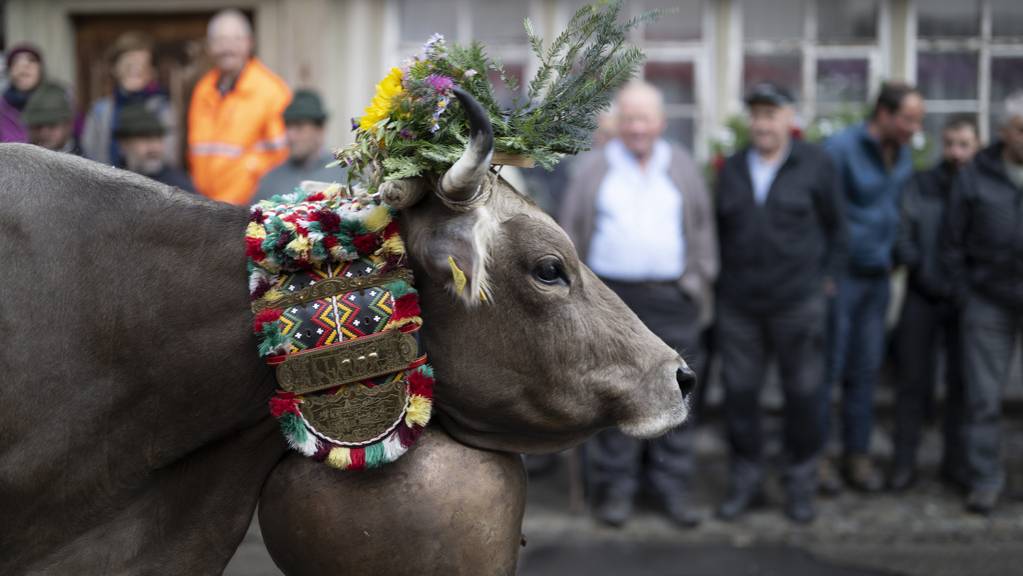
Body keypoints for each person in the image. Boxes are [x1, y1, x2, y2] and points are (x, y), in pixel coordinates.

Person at [559, 81, 718, 529]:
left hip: (672, 297)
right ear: (618, 123)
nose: (637, 128)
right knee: (617, 394)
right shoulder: (594, 169)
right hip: (613, 302)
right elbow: (569, 232)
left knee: (678, 394)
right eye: (629, 118)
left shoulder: (682, 166)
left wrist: (696, 279)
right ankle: (617, 491)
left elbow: (703, 228)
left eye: (645, 118)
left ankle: (673, 489)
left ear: (661, 123)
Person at [713, 83, 845, 524]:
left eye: (771, 114)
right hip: (740, 307)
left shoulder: (817, 165)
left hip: (798, 303)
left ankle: (800, 483)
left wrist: (827, 281)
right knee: (741, 396)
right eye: (757, 114)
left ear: (790, 119)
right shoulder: (730, 168)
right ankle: (746, 480)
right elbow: (717, 231)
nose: (763, 123)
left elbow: (838, 228)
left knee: (805, 396)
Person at [820, 81, 924, 494]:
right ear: (883, 113)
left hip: (878, 279)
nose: (915, 129)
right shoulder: (840, 150)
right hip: (841, 279)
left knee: (865, 371)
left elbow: (898, 214)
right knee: (830, 370)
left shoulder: (903, 156)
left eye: (918, 121)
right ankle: (821, 460)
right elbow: (823, 212)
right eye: (908, 119)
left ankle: (856, 458)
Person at [889, 116, 980, 492]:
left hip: (967, 299)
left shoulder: (983, 186)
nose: (956, 152)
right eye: (951, 144)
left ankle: (955, 464)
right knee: (912, 383)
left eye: (964, 144)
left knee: (961, 386)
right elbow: (903, 235)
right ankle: (904, 464)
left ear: (977, 145)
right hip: (922, 296)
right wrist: (923, 272)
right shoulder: (921, 184)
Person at [944, 92, 1023, 515]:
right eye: (1022, 130)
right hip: (987, 301)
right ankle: (985, 480)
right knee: (984, 399)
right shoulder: (976, 174)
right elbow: (952, 242)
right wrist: (966, 293)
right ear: (1005, 132)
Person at [188, 9, 291, 205]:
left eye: (235, 39)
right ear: (209, 47)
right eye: (219, 40)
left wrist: (250, 172)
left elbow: (283, 156)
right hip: (206, 207)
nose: (227, 48)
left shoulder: (271, 90)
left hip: (253, 208)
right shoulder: (202, 90)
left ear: (250, 43)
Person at [81, 32, 177, 168]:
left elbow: (169, 156)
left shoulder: (161, 108)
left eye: (143, 65)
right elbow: (90, 155)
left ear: (151, 71)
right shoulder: (100, 110)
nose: (135, 70)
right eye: (129, 64)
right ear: (114, 68)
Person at [254, 89, 342, 202]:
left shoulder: (344, 174)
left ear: (320, 129)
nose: (290, 136)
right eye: (288, 127)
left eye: (299, 127)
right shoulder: (271, 180)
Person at [114, 103, 195, 192]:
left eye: (158, 139)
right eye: (146, 139)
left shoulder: (179, 186)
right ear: (124, 144)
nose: (154, 147)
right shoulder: (113, 184)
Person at [1, 43, 46, 143]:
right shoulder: (1, 109)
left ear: (40, 69)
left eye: (31, 60)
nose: (25, 65)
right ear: (10, 71)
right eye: (16, 61)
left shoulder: (61, 102)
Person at [23, 82, 79, 154]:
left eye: (51, 125)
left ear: (68, 125)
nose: (44, 133)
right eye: (37, 126)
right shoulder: (20, 161)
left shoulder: (87, 161)